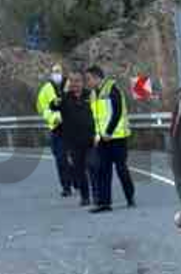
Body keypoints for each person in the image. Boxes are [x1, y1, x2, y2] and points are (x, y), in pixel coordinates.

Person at [87, 63, 135, 212]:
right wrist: (97, 135)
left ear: (96, 77)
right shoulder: (93, 94)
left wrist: (108, 131)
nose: (87, 82)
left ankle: (130, 197)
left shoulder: (112, 89)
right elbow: (95, 118)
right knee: (102, 170)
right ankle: (104, 203)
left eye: (89, 79)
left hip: (117, 137)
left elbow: (117, 112)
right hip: (102, 138)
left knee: (121, 169)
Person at [56, 70, 95, 207]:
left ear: (82, 82)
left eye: (77, 81)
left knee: (92, 166)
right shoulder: (64, 97)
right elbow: (53, 106)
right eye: (72, 81)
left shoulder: (90, 95)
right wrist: (60, 97)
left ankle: (97, 194)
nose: (75, 84)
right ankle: (85, 197)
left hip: (91, 139)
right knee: (79, 170)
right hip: (73, 141)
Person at [35, 63, 71, 197]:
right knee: (60, 158)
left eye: (59, 71)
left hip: (72, 126)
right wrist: (52, 118)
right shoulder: (45, 90)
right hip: (57, 127)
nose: (57, 74)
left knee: (76, 156)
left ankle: (77, 180)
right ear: (51, 74)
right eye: (54, 72)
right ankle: (66, 186)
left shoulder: (71, 85)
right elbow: (41, 109)